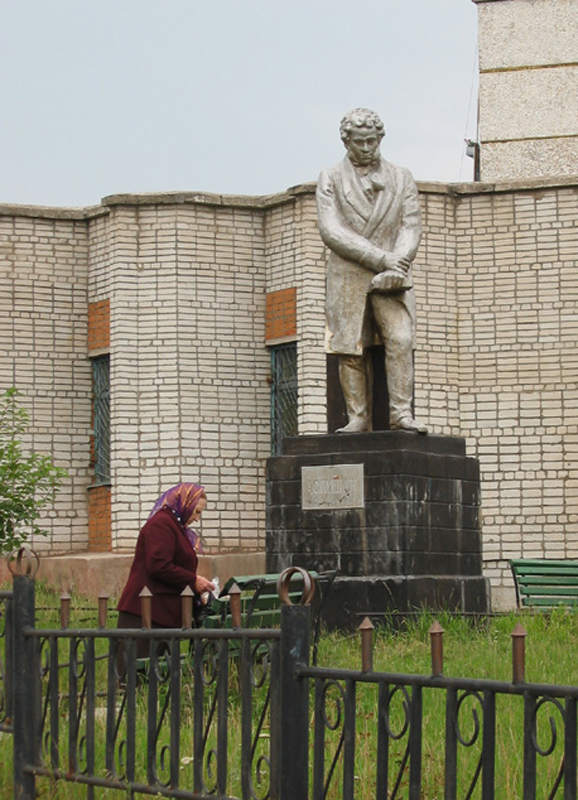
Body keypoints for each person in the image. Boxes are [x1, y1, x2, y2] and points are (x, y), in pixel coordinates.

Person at [316, 108, 427, 434]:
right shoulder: (330, 178)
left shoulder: (401, 176)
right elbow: (331, 230)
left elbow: (411, 225)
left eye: (372, 142)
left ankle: (401, 414)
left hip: (393, 274)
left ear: (380, 139)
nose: (366, 148)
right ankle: (358, 417)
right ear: (346, 141)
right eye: (359, 142)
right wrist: (381, 258)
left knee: (401, 338)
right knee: (350, 345)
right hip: (350, 272)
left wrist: (400, 260)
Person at [117, 482, 215, 657]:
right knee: (134, 676)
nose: (197, 518)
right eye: (197, 511)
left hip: (162, 616)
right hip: (146, 615)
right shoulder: (161, 524)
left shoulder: (175, 526)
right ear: (185, 503)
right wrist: (193, 581)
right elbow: (159, 566)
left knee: (156, 676)